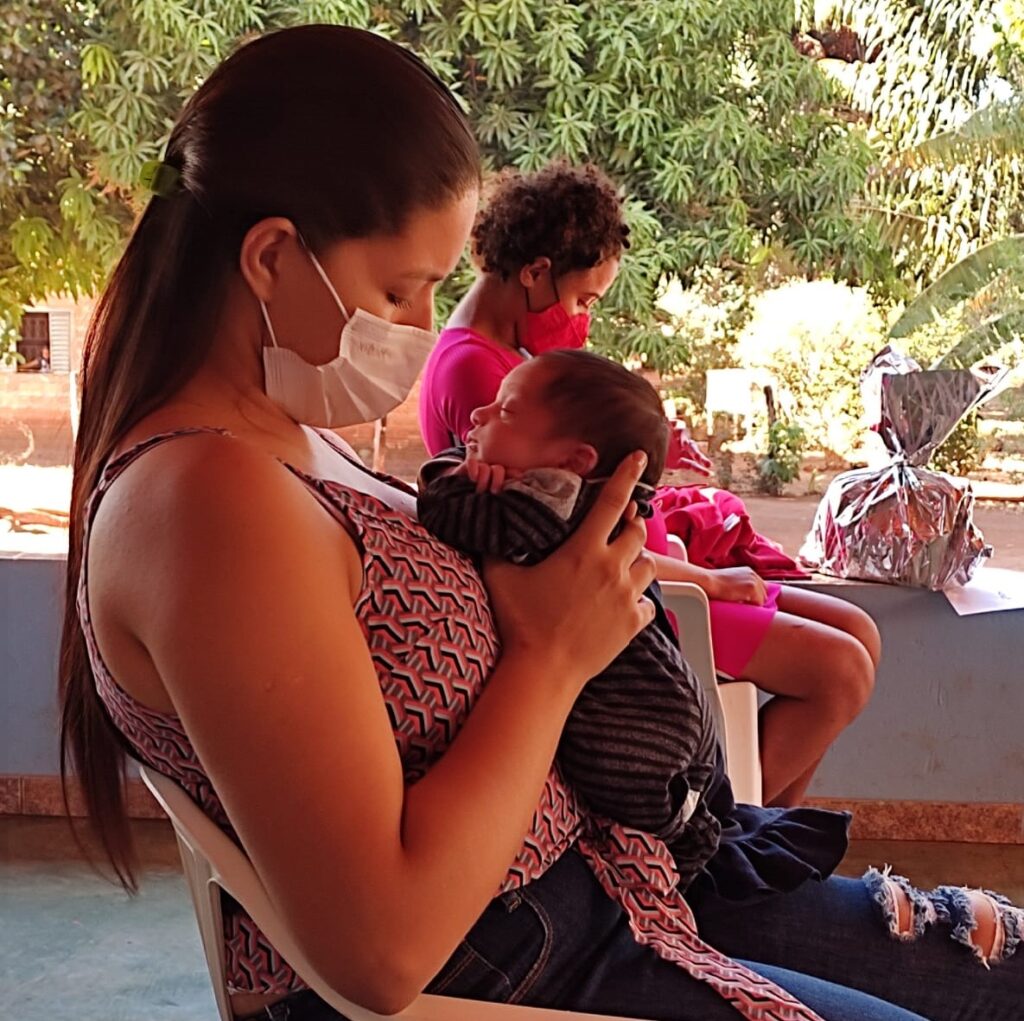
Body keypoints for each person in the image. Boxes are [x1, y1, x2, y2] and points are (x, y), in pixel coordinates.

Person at [58, 24, 1021, 1021]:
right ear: (269, 256)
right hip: (520, 954)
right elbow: (381, 950)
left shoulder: (281, 438)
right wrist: (552, 657)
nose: (421, 326)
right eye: (399, 289)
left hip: (611, 878)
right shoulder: (204, 501)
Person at [418, 162, 881, 808]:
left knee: (860, 631)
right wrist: (710, 582)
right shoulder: (480, 375)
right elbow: (562, 541)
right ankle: (739, 826)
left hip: (662, 573)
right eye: (583, 300)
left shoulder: (509, 359)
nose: (583, 320)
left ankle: (767, 825)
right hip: (649, 598)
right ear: (535, 273)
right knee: (840, 673)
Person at [418, 349, 851, 901]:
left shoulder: (545, 509)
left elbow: (447, 511)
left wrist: (450, 476)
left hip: (635, 714)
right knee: (694, 795)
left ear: (575, 460)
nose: (478, 416)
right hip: (666, 698)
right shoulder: (585, 501)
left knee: (646, 799)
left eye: (505, 411)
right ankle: (720, 839)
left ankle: (696, 873)